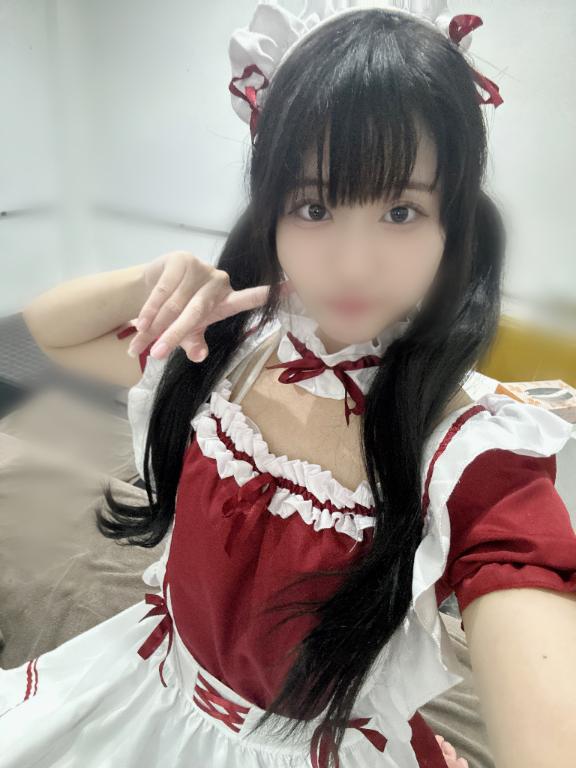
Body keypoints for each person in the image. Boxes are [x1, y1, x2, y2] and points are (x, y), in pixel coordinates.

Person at [2, 4, 576, 768]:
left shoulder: (470, 447)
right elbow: (34, 344)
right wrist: (150, 281)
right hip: (154, 682)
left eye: (400, 210)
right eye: (315, 205)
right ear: (271, 209)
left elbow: (528, 592)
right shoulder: (222, 349)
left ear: (454, 225)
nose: (353, 263)